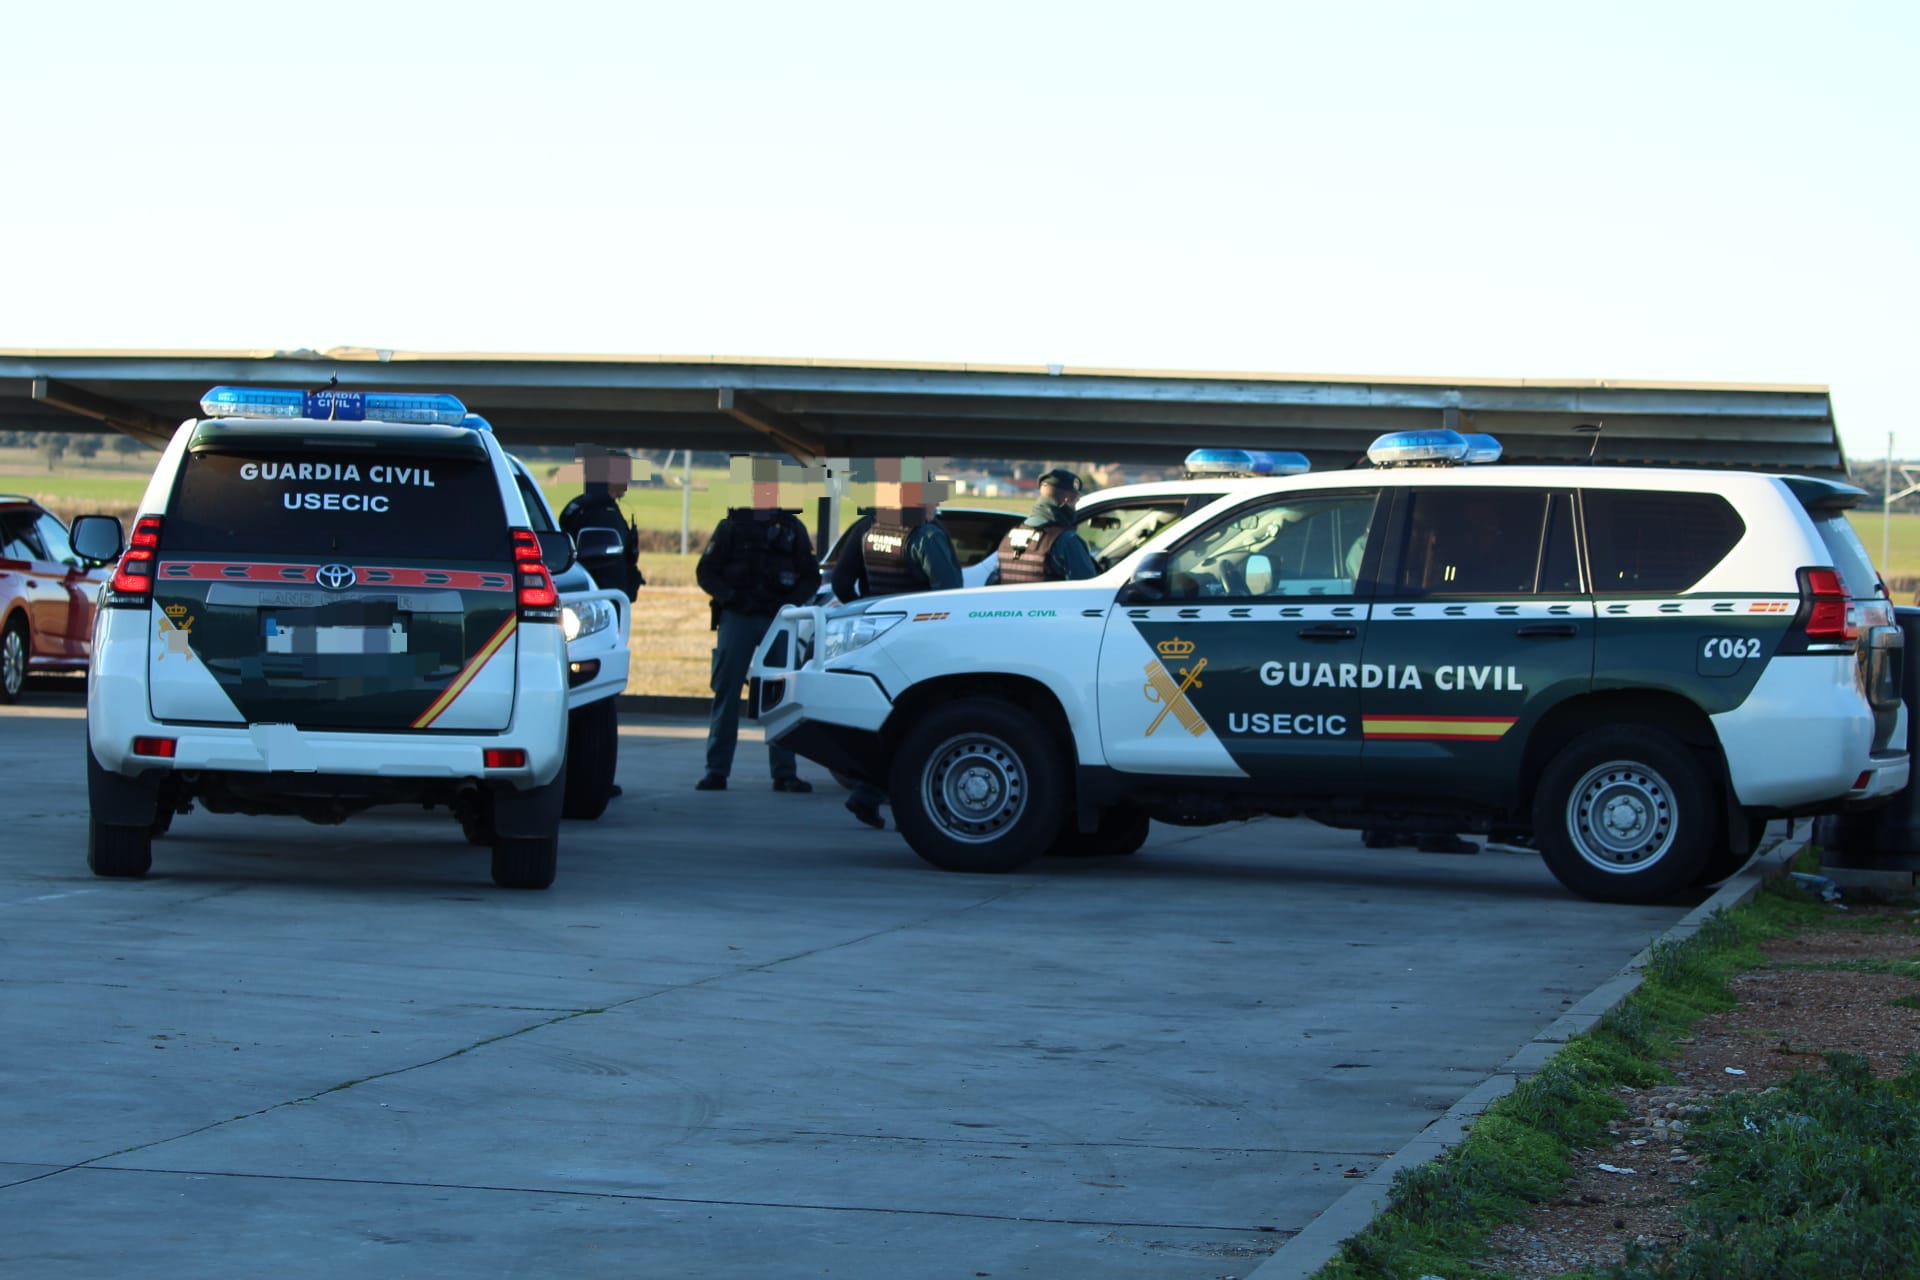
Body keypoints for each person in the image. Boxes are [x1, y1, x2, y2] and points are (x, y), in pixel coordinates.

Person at [830, 476, 962, 827]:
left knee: (891, 720)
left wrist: (869, 612)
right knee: (923, 724)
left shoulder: (867, 527)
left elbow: (841, 584)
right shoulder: (927, 536)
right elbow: (950, 596)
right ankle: (906, 806)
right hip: (920, 641)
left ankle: (868, 792)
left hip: (880, 640)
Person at [694, 495, 821, 793]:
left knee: (782, 695)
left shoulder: (792, 528)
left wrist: (788, 604)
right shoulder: (731, 527)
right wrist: (733, 598)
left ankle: (785, 772)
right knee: (727, 692)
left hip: (778, 620)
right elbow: (706, 572)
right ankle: (716, 771)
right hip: (738, 617)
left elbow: (810, 576)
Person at [559, 451, 645, 601]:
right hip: (603, 598)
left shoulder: (583, 508)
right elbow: (608, 563)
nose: (628, 478)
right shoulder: (603, 516)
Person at [990, 468, 1099, 584]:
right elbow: (1088, 588)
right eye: (1076, 501)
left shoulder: (1010, 536)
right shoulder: (1067, 541)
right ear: (1067, 500)